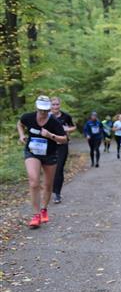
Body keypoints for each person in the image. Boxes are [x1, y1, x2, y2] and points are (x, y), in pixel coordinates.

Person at [16, 95, 69, 228]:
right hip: (32, 152)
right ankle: (36, 215)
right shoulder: (28, 117)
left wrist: (50, 135)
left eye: (46, 110)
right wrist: (21, 135)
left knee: (48, 184)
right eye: (41, 110)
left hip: (49, 154)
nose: (43, 113)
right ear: (36, 107)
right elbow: (20, 123)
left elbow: (64, 139)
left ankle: (44, 209)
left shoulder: (54, 122)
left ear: (49, 109)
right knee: (34, 182)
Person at [49, 97, 76, 203]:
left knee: (59, 168)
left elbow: (73, 127)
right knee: (49, 169)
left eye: (57, 104)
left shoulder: (66, 116)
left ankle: (57, 193)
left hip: (62, 145)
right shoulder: (46, 116)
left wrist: (67, 129)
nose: (55, 106)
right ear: (50, 105)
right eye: (53, 104)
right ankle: (48, 189)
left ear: (60, 105)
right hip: (49, 145)